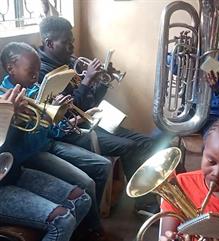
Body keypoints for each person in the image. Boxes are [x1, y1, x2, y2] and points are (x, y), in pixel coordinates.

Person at [37, 16, 158, 212]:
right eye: (66, 43)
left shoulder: (68, 62)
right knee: (130, 146)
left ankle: (149, 195)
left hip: (90, 119)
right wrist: (85, 83)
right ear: (49, 43)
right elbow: (68, 111)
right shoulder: (43, 72)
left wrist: (101, 81)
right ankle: (143, 203)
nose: (71, 47)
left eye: (72, 42)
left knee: (147, 142)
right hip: (73, 130)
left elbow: (91, 102)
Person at [0, 42, 114, 241]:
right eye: (31, 71)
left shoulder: (33, 89)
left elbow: (48, 130)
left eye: (37, 71)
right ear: (11, 68)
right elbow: (15, 149)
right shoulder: (5, 99)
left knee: (83, 197)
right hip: (28, 155)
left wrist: (60, 116)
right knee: (65, 214)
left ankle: (86, 233)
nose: (36, 77)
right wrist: (13, 118)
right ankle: (92, 232)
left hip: (24, 161)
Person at [0, 85, 91, 241]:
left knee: (82, 200)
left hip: (14, 172)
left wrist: (16, 121)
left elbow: (18, 153)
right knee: (62, 221)